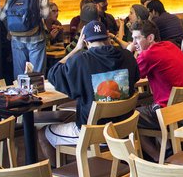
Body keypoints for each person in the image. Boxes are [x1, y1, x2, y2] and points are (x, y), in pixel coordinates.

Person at [39, 20, 139, 163]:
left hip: (95, 133)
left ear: (85, 42)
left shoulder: (81, 60)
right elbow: (135, 78)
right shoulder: (127, 56)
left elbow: (53, 74)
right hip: (123, 129)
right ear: (108, 38)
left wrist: (75, 49)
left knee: (43, 133)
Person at [127, 20, 183, 157]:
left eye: (137, 38)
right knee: (149, 105)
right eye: (132, 39)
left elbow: (128, 77)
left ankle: (157, 159)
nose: (133, 43)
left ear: (150, 38)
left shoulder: (148, 55)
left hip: (169, 111)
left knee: (129, 118)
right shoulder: (170, 45)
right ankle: (168, 149)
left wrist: (128, 53)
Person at [0, 0, 50, 79]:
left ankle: (20, 95)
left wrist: (11, 29)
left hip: (16, 38)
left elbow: (2, 15)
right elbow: (46, 14)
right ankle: (37, 95)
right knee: (37, 75)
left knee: (19, 75)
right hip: (36, 37)